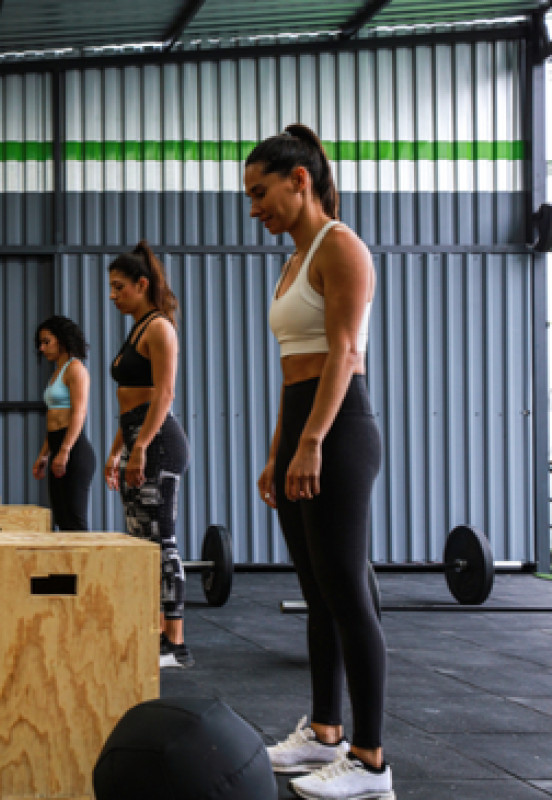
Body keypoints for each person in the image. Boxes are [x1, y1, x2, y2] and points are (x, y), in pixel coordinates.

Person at [247, 124, 392, 800]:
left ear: (298, 180)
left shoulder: (343, 248)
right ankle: (325, 731)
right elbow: (290, 371)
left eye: (260, 192)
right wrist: (279, 449)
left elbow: (344, 355)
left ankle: (370, 761)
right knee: (317, 590)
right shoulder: (291, 260)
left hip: (341, 430)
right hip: (304, 425)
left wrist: (311, 444)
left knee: (346, 588)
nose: (254, 208)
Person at [102, 242, 192, 670]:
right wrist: (116, 450)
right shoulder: (136, 328)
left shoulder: (159, 329)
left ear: (142, 285)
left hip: (158, 444)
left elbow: (164, 395)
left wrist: (138, 448)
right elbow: (129, 403)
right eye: (110, 288)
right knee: (141, 542)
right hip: (138, 440)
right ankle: (154, 630)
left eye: (120, 287)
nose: (113, 295)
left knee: (161, 541)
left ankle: (176, 641)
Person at [33, 316, 95, 530]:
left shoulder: (75, 369)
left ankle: (85, 564)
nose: (42, 348)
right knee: (62, 519)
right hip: (58, 446)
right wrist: (44, 454)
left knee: (75, 520)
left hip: (74, 451)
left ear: (62, 340)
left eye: (46, 341)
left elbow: (79, 412)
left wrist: (65, 450)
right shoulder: (56, 374)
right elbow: (54, 420)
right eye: (40, 343)